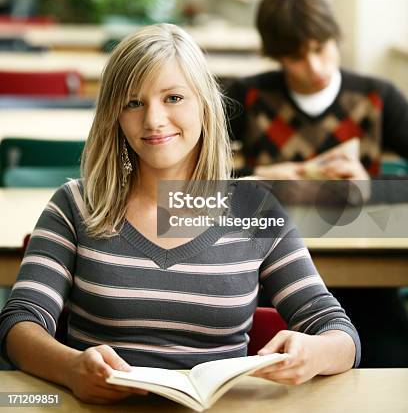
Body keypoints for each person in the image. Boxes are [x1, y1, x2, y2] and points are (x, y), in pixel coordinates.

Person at [0, 23, 359, 404]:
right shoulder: (74, 205)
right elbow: (18, 323)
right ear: (115, 117)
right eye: (133, 103)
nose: (153, 119)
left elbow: (338, 331)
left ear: (204, 105)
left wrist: (313, 353)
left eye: (173, 98)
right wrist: (71, 369)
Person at [225, 0, 408, 367]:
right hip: (266, 276)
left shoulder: (378, 98)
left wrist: (369, 186)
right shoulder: (249, 97)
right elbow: (189, 173)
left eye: (321, 48)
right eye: (296, 57)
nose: (315, 68)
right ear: (275, 57)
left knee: (390, 357)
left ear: (335, 38)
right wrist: (256, 176)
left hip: (365, 281)